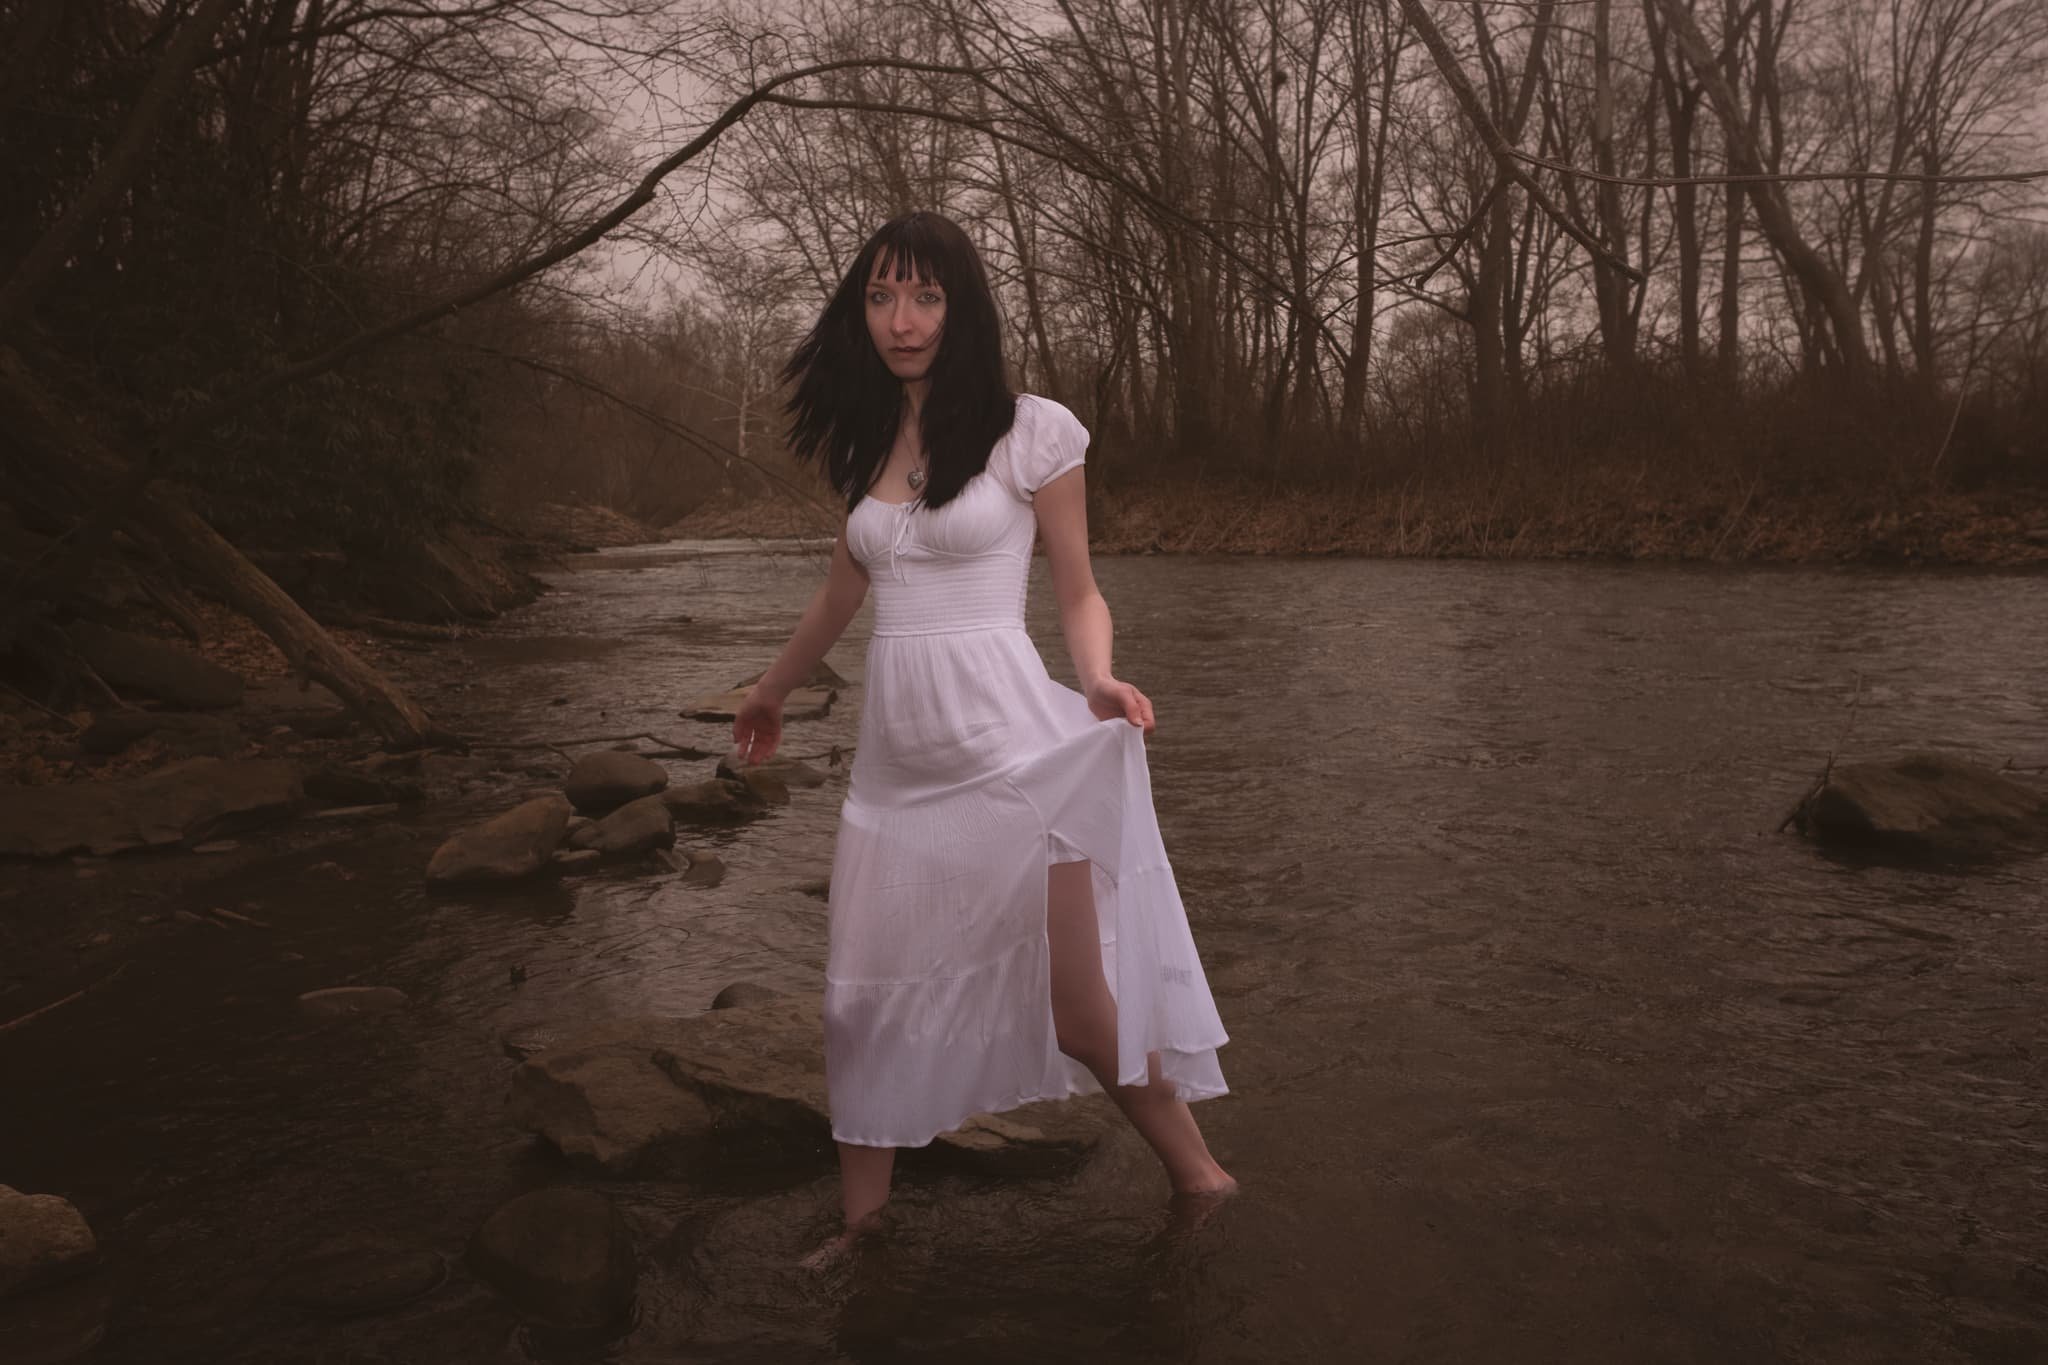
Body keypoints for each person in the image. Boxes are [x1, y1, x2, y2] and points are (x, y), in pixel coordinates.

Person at [732, 211, 1234, 1259]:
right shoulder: (869, 443)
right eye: (878, 296)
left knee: (1080, 1017)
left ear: (961, 308)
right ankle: (861, 1229)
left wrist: (1094, 676)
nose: (900, 320)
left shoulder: (1032, 431)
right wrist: (771, 690)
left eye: (923, 296)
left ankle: (1201, 1177)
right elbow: (839, 597)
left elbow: (1079, 588)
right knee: (860, 1010)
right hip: (894, 777)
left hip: (1013, 759)